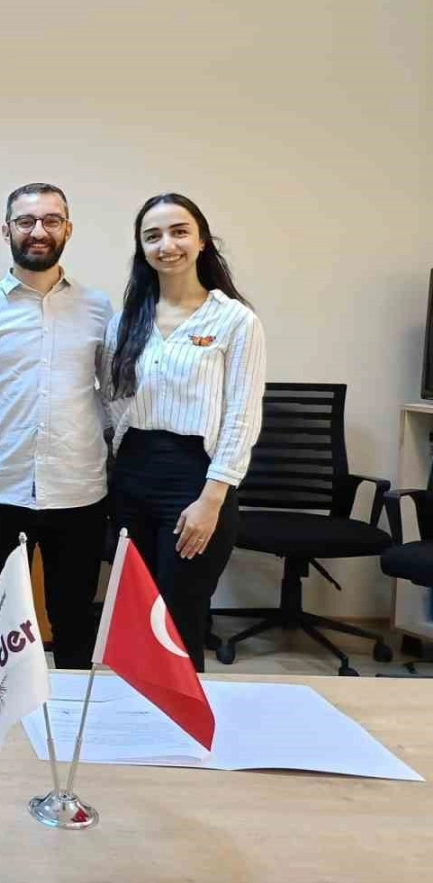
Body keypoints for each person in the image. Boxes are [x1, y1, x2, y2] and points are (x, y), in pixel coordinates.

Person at [0, 183, 112, 669]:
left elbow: (114, 396)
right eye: (26, 221)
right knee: (2, 619)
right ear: (7, 231)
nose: (38, 231)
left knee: (74, 618)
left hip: (79, 491)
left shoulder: (98, 309)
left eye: (50, 220)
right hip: (1, 489)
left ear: (68, 229)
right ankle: (4, 707)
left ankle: (69, 710)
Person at [103, 193, 266, 671]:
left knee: (178, 619)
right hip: (132, 475)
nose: (166, 245)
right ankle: (133, 711)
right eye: (152, 236)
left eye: (179, 232)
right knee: (135, 613)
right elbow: (113, 400)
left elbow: (242, 415)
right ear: (141, 248)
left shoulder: (235, 320)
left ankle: (182, 715)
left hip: (195, 481)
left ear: (202, 242)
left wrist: (212, 499)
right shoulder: (126, 321)